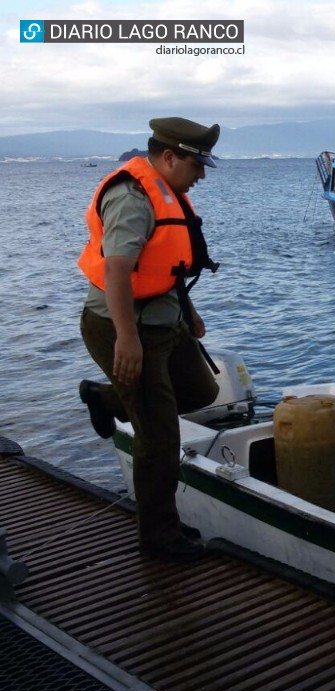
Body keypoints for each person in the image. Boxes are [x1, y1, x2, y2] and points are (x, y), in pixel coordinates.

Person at [77, 117, 223, 562]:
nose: (201, 174)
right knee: (159, 433)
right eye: (197, 165)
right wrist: (126, 339)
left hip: (165, 320)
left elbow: (168, 266)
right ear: (168, 157)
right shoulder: (132, 198)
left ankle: (106, 400)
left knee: (202, 390)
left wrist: (189, 313)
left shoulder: (169, 194)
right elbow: (118, 271)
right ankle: (159, 538)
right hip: (121, 325)